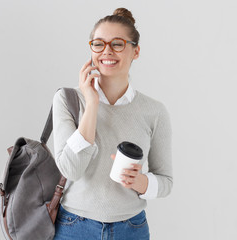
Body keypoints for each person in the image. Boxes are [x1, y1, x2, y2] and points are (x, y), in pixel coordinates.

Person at [52, 8, 173, 240]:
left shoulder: (154, 111)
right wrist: (92, 103)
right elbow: (70, 170)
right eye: (98, 43)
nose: (106, 51)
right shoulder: (68, 100)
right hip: (73, 227)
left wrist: (141, 182)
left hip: (131, 229)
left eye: (117, 44)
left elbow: (166, 181)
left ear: (135, 51)